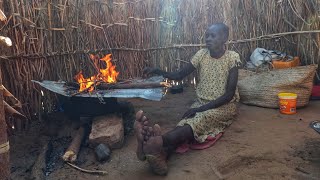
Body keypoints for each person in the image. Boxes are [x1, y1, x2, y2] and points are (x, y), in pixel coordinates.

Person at [134, 23, 241, 175]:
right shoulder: (201, 55)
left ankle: (157, 141)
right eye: (207, 35)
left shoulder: (232, 58)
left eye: (213, 36)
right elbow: (179, 75)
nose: (208, 39)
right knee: (185, 124)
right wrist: (158, 70)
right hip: (201, 104)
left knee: (197, 120)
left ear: (224, 38)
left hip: (223, 106)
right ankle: (160, 154)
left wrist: (199, 109)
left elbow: (229, 95)